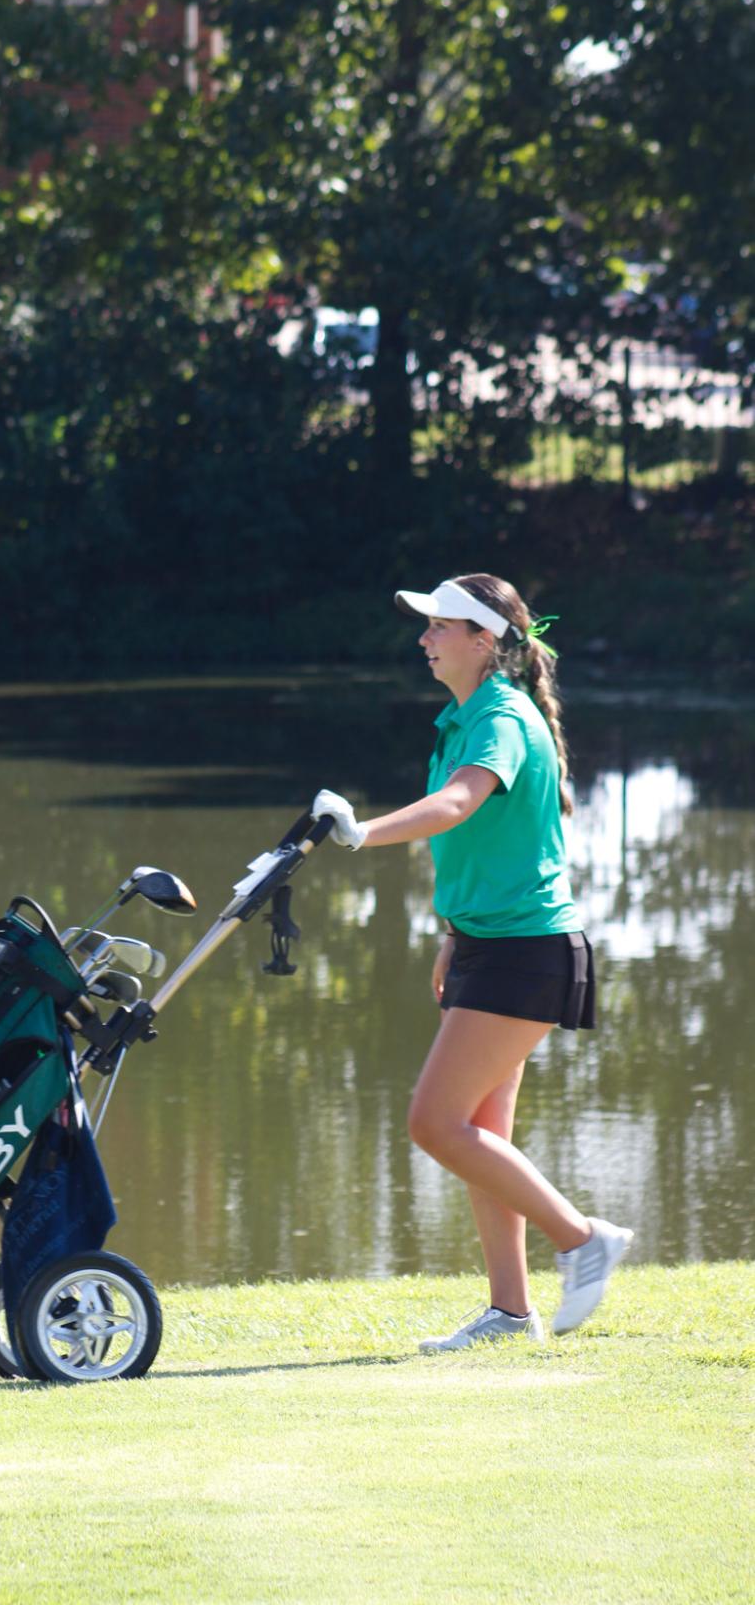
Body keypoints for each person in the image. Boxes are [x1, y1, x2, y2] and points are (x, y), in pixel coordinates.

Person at [312, 574, 632, 1353]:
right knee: (485, 1133)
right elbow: (482, 842)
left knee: (435, 1121)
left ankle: (582, 1237)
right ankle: (510, 1311)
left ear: (483, 641)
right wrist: (453, 930)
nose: (423, 639)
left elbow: (457, 804)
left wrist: (361, 832)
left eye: (438, 627)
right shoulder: (462, 717)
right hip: (491, 943)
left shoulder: (500, 717)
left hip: (528, 951)